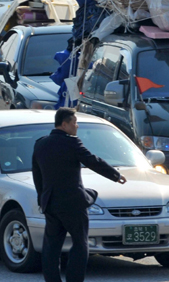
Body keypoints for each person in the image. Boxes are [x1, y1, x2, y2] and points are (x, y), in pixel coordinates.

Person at [32, 108, 126, 282]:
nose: (77, 126)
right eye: (74, 122)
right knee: (80, 244)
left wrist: (42, 198)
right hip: (72, 204)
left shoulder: (40, 144)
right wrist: (116, 175)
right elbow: (92, 160)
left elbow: (37, 176)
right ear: (64, 124)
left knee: (51, 247)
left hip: (50, 203)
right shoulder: (71, 143)